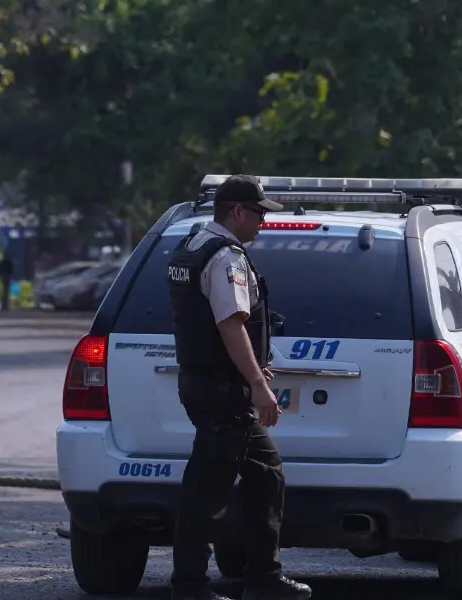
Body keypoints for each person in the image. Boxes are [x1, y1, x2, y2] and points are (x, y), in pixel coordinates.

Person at [165, 174, 311, 600]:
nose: (263, 221)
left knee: (265, 474)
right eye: (259, 213)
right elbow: (231, 326)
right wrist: (257, 385)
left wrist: (251, 373)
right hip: (224, 392)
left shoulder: (193, 243)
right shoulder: (225, 257)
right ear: (238, 210)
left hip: (208, 384)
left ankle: (263, 577)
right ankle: (190, 586)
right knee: (206, 489)